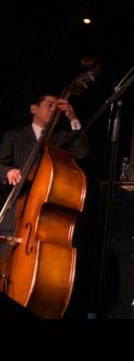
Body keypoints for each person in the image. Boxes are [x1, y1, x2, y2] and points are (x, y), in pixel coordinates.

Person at [0, 94, 89, 260]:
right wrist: (8, 172)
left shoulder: (60, 138)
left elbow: (82, 151)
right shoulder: (13, 136)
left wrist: (72, 117)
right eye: (49, 105)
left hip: (42, 224)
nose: (54, 109)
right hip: (14, 215)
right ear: (34, 109)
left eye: (57, 107)